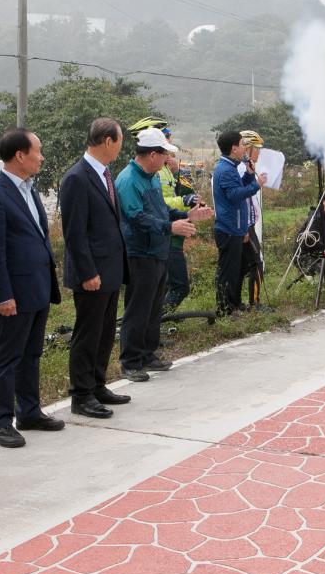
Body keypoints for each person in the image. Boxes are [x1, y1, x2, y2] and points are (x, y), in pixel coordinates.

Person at [0, 128, 64, 449]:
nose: (41, 157)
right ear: (19, 156)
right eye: (37, 151)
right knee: (7, 356)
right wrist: (3, 295)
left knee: (31, 354)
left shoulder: (30, 189)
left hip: (37, 287)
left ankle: (29, 411)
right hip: (14, 293)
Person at [115, 129, 213, 381]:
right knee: (138, 307)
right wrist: (170, 227)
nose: (167, 161)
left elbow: (162, 210)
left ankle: (148, 354)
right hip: (140, 252)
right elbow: (137, 218)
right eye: (164, 155)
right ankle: (130, 361)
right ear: (151, 155)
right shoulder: (128, 180)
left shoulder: (152, 178)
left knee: (154, 305)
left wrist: (186, 216)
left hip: (158, 249)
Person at [59, 118, 131, 419]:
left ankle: (98, 383)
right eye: (120, 141)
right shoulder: (77, 177)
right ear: (107, 141)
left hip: (110, 268)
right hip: (92, 273)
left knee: (104, 331)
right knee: (88, 332)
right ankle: (81, 393)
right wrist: (88, 272)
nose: (121, 147)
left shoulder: (104, 174)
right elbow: (75, 233)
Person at [213, 129, 266, 314]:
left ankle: (234, 304)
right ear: (234, 148)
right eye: (242, 144)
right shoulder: (226, 169)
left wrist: (249, 176)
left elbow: (237, 188)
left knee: (236, 269)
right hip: (228, 228)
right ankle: (225, 309)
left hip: (235, 227)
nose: (244, 147)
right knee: (228, 272)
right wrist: (256, 185)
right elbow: (235, 195)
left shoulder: (231, 167)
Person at [161, 151, 200, 312]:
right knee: (180, 286)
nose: (169, 156)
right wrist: (184, 202)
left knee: (164, 285)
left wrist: (176, 172)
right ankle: (159, 319)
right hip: (167, 235)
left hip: (175, 232)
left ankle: (155, 323)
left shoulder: (171, 171)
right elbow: (159, 203)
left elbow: (189, 192)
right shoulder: (152, 173)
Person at [238, 130, 267, 308]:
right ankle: (254, 303)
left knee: (241, 266)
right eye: (257, 149)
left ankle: (237, 303)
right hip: (243, 225)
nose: (259, 153)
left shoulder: (246, 167)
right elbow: (240, 199)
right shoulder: (242, 169)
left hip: (245, 224)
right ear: (247, 149)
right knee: (256, 262)